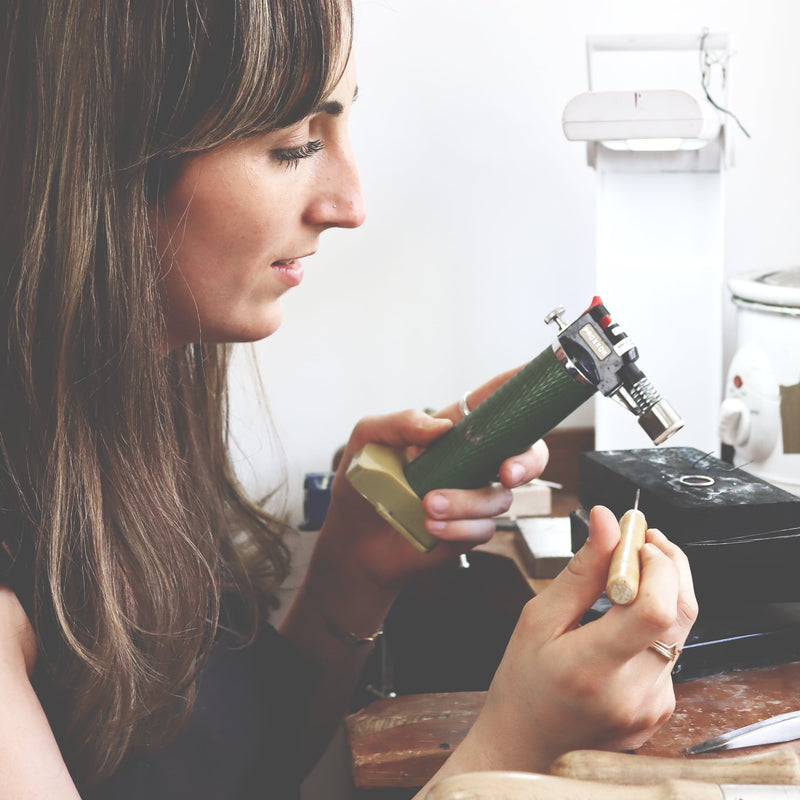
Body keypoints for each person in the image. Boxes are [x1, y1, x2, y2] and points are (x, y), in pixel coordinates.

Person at [0, 0, 698, 797]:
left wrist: (354, 569)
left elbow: (234, 770)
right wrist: (520, 743)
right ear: (105, 158)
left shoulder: (116, 424)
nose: (350, 204)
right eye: (292, 145)